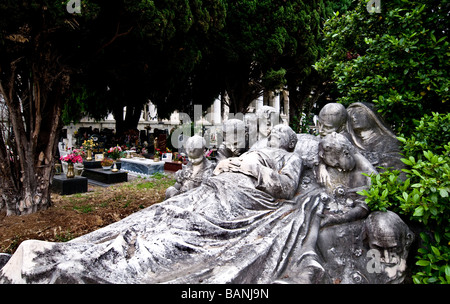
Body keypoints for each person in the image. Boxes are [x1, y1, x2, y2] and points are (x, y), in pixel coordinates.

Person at [1, 125, 323, 284]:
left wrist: (249, 168)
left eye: (280, 131)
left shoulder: (290, 159)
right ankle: (65, 252)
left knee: (174, 236)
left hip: (232, 206)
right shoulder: (249, 152)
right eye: (273, 131)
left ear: (289, 141)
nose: (274, 133)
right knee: (157, 214)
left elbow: (284, 187)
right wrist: (233, 165)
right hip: (210, 191)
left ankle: (97, 269)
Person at [346, 102, 404, 173]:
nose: (354, 117)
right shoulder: (349, 143)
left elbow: (397, 168)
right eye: (351, 114)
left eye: (360, 112)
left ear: (372, 116)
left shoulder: (388, 141)